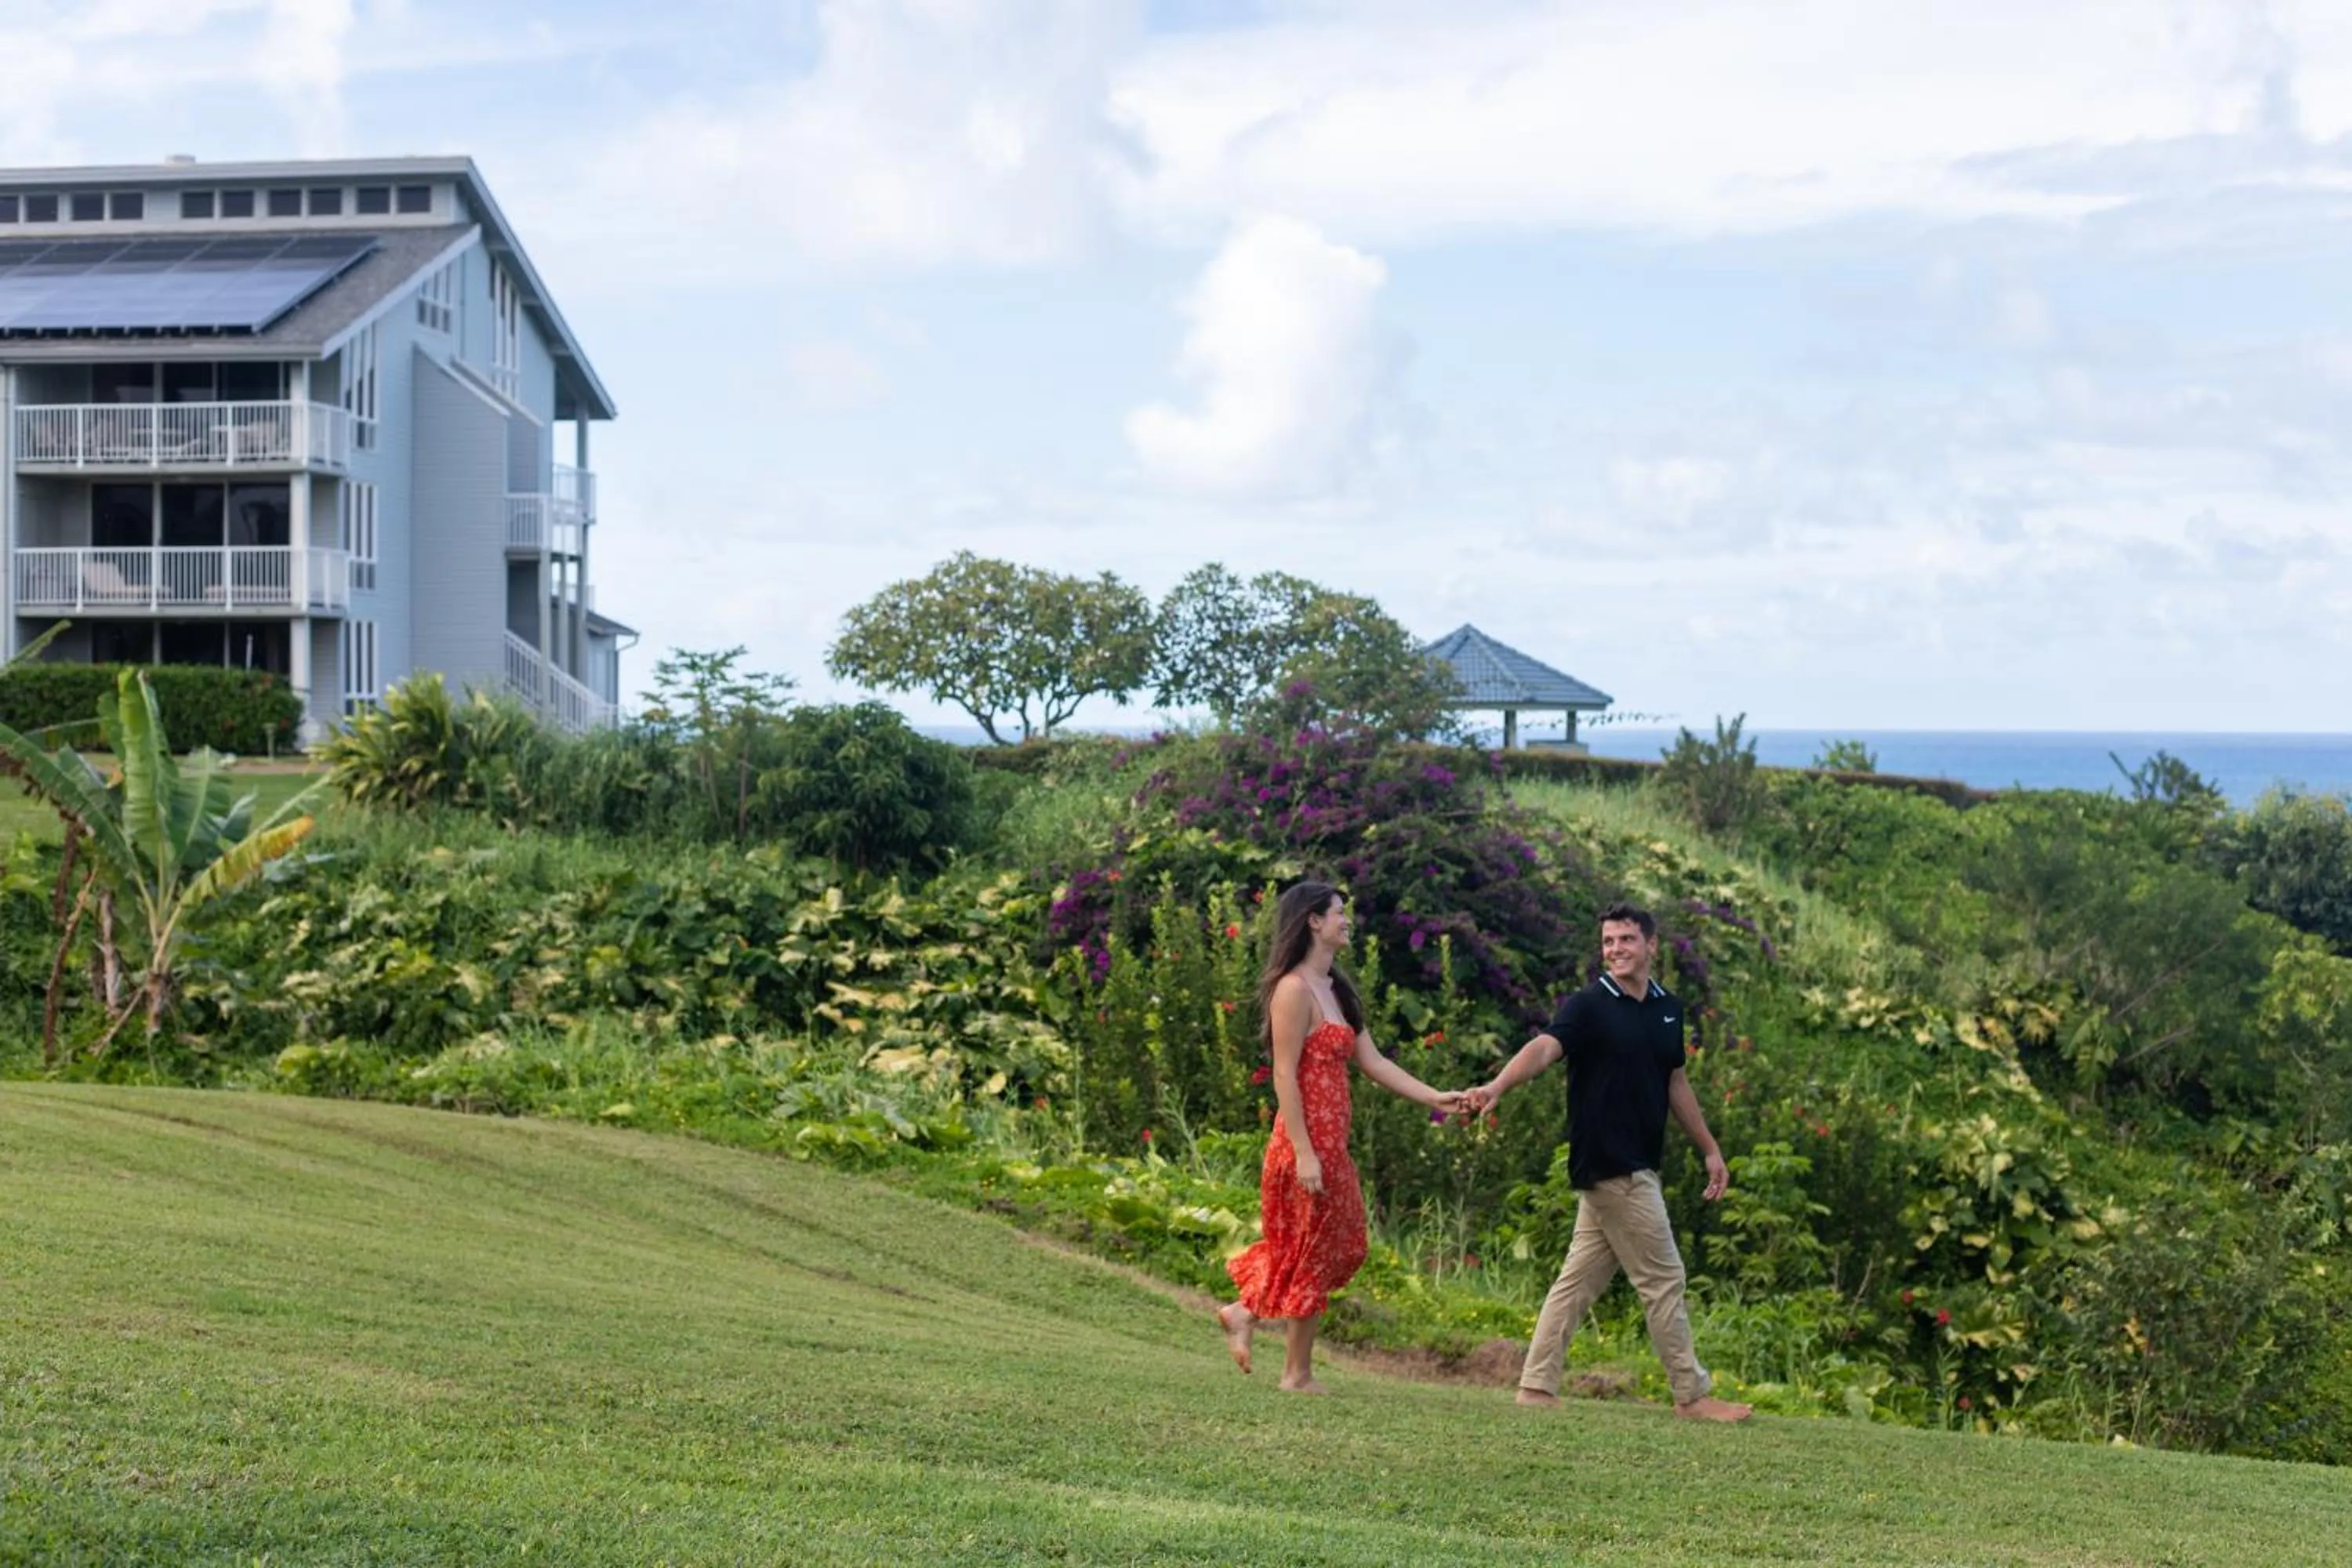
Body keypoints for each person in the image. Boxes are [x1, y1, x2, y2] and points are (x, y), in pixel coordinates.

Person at [1462, 902, 1753, 1423]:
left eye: (1626, 940)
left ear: (1651, 945)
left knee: (1577, 1281)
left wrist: (1709, 1147)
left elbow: (1675, 1082)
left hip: (1639, 1159)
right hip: (1612, 1163)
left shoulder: (1668, 1008)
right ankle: (1692, 1396)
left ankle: (1535, 1386)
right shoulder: (1590, 1005)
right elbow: (1546, 1047)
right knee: (1664, 1279)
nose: (1616, 950)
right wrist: (1497, 1086)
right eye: (1608, 942)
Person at [1217, 880, 1465, 1392]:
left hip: (1333, 1146)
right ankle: (1296, 1375)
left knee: (1342, 1246)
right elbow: (1284, 1074)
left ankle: (1245, 1311)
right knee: (1311, 1251)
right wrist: (1305, 1153)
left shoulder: (1338, 989)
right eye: (1339, 913)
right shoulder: (1293, 990)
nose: (1346, 921)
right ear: (1313, 921)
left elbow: (1372, 1062)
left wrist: (1434, 1096)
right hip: (1303, 1144)